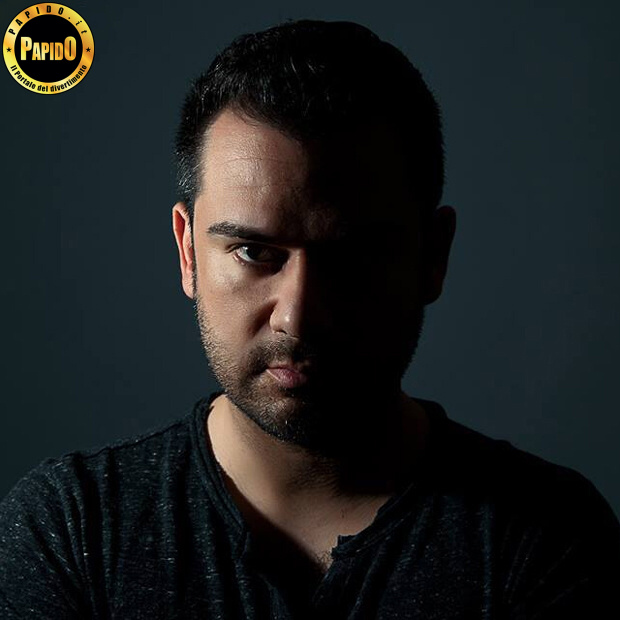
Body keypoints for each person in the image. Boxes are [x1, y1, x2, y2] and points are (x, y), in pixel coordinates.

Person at [1, 18, 618, 619]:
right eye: (253, 252)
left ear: (434, 256)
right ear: (188, 252)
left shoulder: (549, 538)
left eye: (353, 258)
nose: (298, 317)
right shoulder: (70, 529)